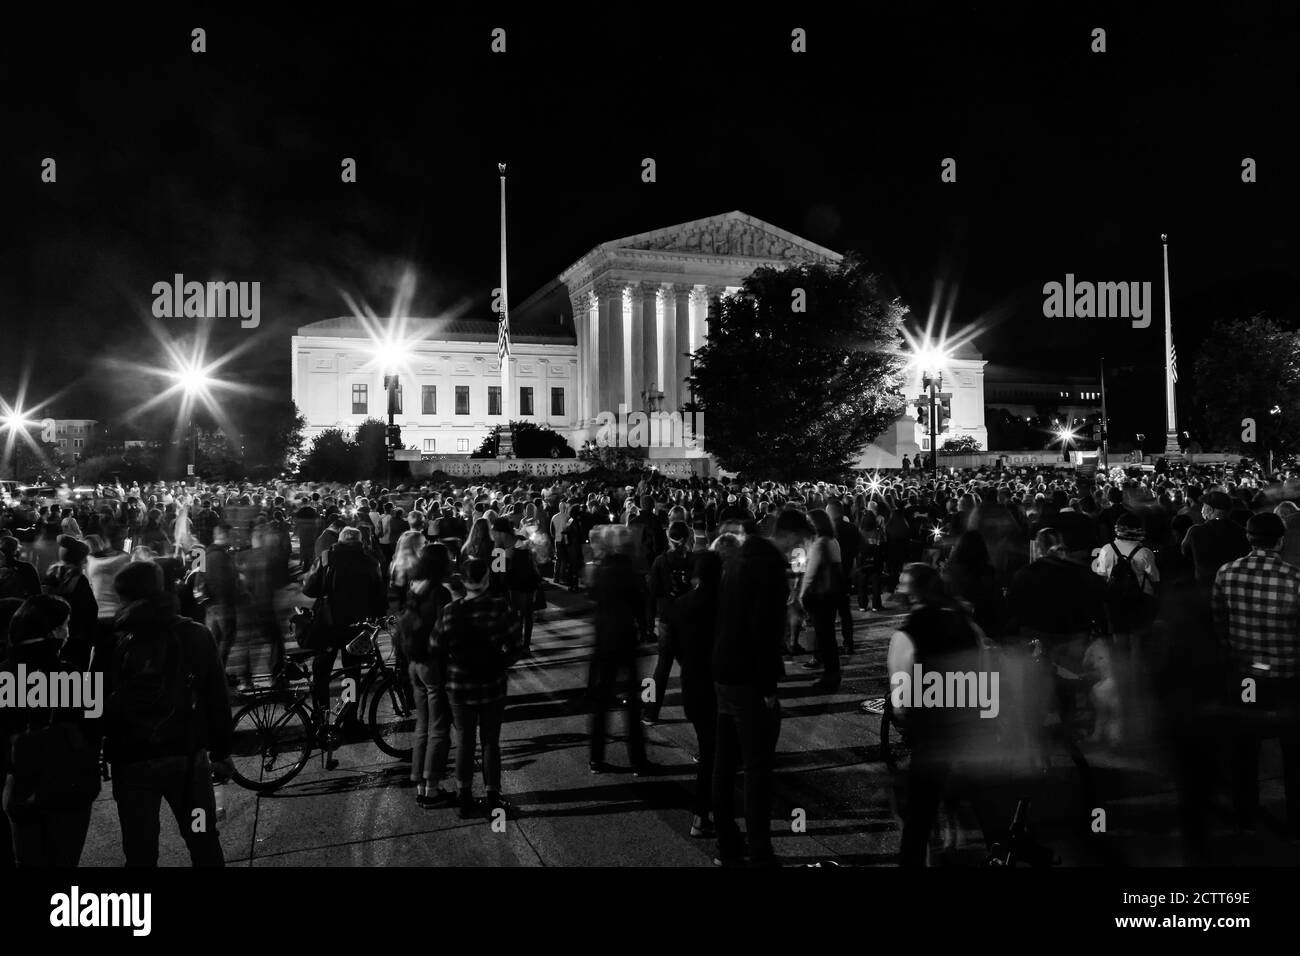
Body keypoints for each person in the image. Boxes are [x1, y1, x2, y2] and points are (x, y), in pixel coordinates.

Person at [102, 561, 233, 867]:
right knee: (202, 837)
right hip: (187, 760)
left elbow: (93, 701)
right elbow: (216, 697)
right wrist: (222, 752)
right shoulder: (195, 634)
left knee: (139, 848)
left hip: (131, 760)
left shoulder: (111, 639)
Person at [888, 564, 997, 866]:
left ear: (910, 594)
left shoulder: (906, 634)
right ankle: (1001, 855)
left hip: (934, 732)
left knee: (920, 813)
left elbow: (901, 695)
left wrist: (909, 719)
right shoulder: (965, 623)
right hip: (972, 727)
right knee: (986, 804)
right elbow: (986, 675)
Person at [1212, 512, 1300, 837]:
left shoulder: (1227, 572)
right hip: (1287, 676)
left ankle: (1245, 814)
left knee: (1245, 747)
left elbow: (1219, 621)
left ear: (1249, 539)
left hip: (1246, 676)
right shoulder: (1294, 578)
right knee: (1294, 751)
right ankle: (1295, 822)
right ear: (1280, 540)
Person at [0, 595, 102, 866]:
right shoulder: (73, 675)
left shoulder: (4, 676)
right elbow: (96, 728)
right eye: (66, 624)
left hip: (20, 787)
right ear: (54, 631)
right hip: (69, 789)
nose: (68, 631)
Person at [712, 534, 787, 867]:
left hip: (724, 672)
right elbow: (764, 630)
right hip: (748, 679)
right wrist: (769, 686)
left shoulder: (736, 566)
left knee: (724, 763)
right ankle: (760, 851)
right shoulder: (766, 568)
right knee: (757, 768)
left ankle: (726, 845)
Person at [431, 556, 524, 818]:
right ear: (486, 579)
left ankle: (465, 797)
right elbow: (516, 646)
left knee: (464, 741)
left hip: (460, 685)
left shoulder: (450, 611)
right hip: (492, 684)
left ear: (463, 580)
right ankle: (493, 795)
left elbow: (435, 646)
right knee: (490, 742)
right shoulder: (499, 608)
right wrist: (500, 663)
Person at [301, 526, 387, 734]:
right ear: (360, 542)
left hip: (327, 625)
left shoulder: (326, 558)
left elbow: (309, 589)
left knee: (321, 672)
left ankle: (320, 718)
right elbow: (378, 598)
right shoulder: (369, 562)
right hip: (355, 627)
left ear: (339, 541)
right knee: (351, 673)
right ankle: (348, 718)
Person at [665, 550, 723, 838]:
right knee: (718, 752)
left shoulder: (681, 604)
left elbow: (672, 645)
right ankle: (704, 813)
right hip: (720, 683)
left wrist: (688, 662)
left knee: (709, 745)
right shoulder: (727, 604)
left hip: (693, 681)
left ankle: (706, 811)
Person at [588, 526, 651, 775]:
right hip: (625, 638)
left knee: (601, 704)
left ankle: (596, 758)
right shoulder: (630, 571)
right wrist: (644, 629)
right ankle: (638, 760)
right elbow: (640, 604)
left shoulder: (600, 569)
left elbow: (593, 598)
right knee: (632, 704)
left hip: (603, 639)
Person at [399, 543, 457, 807]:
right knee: (439, 728)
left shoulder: (415, 587)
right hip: (433, 662)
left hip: (414, 662)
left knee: (422, 725)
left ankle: (421, 783)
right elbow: (445, 630)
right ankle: (432, 788)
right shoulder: (439, 593)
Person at [643, 520, 694, 724]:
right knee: (691, 670)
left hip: (667, 620)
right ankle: (696, 710)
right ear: (688, 537)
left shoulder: (660, 561)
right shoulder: (694, 560)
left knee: (661, 670)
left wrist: (648, 625)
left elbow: (652, 594)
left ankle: (650, 711)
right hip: (689, 620)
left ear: (668, 537)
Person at [799, 508, 843, 692]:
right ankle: (833, 673)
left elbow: (810, 573)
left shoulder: (819, 544)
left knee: (824, 636)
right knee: (829, 636)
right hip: (832, 594)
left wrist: (802, 594)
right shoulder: (833, 541)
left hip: (819, 595)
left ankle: (830, 676)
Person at [41, 535, 98, 670]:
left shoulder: (52, 574)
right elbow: (90, 611)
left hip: (52, 635)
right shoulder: (79, 580)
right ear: (80, 558)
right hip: (75, 638)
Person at [1182, 490, 1249, 594]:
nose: (1202, 510)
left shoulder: (1195, 531)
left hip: (1207, 587)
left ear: (1209, 509)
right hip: (1236, 585)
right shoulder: (1242, 531)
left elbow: (1185, 552)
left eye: (1203, 506)